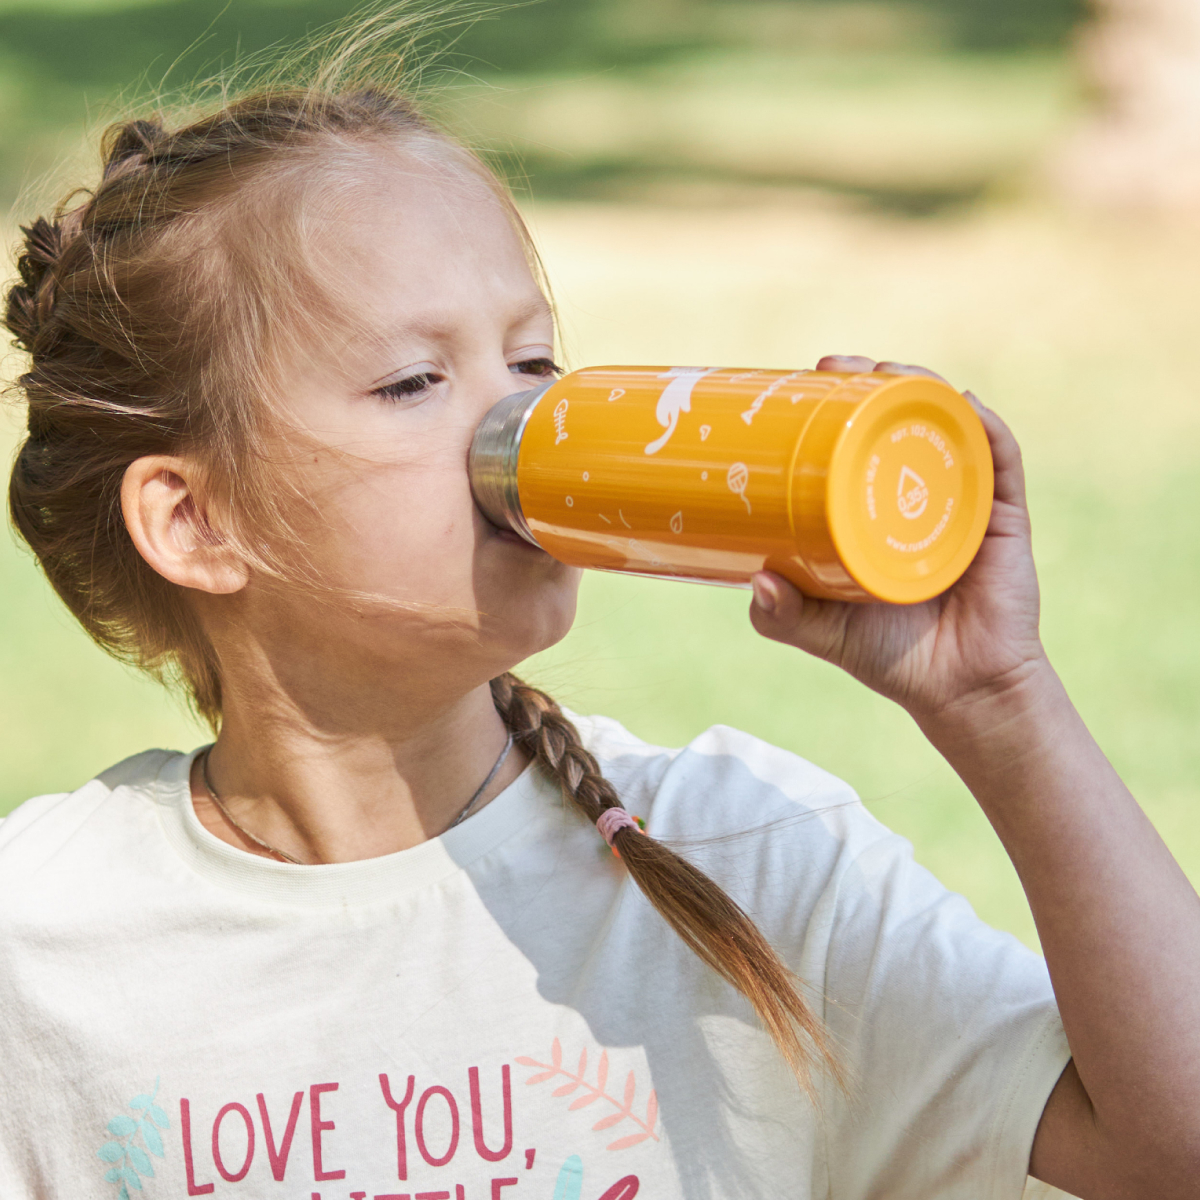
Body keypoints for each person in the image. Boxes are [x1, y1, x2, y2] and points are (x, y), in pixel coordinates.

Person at [1, 26, 1198, 1200]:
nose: (519, 428)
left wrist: (1000, 700)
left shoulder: (741, 857)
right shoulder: (48, 941)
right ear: (197, 524)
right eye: (415, 381)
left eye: (532, 362)